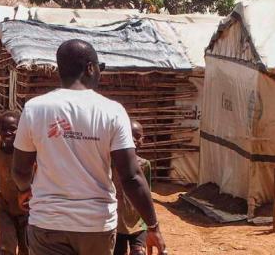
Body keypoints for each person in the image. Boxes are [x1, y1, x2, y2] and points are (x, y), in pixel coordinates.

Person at [11, 39, 167, 255]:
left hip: (47, 223)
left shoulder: (34, 109)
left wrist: (24, 190)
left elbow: (20, 169)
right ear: (90, 68)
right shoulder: (112, 111)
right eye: (99, 69)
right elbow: (131, 177)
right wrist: (153, 226)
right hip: (96, 226)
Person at [0, 111, 29, 255]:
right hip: (5, 208)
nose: (7, 132)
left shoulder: (29, 155)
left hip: (28, 211)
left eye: (12, 129)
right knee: (5, 247)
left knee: (27, 247)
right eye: (3, 129)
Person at [114, 120, 152, 255]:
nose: (134, 140)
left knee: (139, 252)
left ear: (143, 139)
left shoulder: (145, 164)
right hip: (116, 223)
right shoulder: (110, 164)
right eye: (130, 136)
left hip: (138, 222)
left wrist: (150, 222)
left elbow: (146, 194)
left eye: (138, 136)